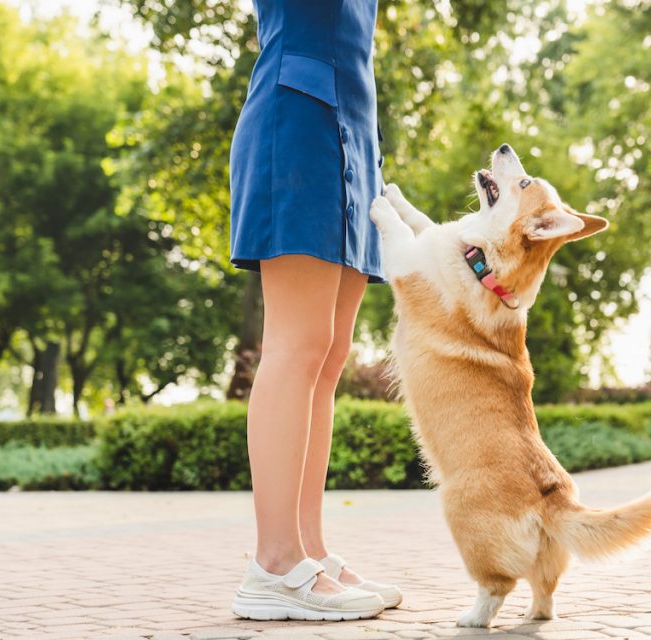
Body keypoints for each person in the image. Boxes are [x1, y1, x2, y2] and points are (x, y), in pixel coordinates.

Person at [225, 0, 400, 622]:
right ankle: (273, 564)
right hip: (298, 120)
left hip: (355, 134)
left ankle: (309, 552)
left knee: (327, 357)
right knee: (295, 348)